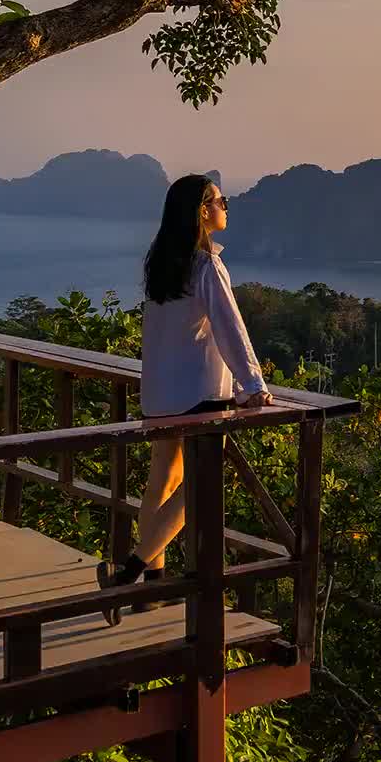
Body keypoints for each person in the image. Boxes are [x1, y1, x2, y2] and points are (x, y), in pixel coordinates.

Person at [97, 174, 274, 624]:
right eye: (221, 200)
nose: (226, 207)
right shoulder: (206, 266)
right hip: (198, 394)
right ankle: (130, 572)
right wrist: (252, 386)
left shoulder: (162, 264)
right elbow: (230, 328)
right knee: (200, 487)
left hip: (160, 392)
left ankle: (151, 588)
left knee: (163, 482)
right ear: (202, 210)